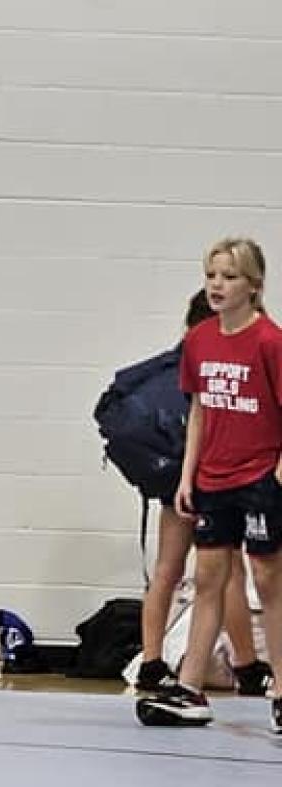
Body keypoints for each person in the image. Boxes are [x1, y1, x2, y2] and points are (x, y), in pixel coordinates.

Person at [140, 238, 282, 733]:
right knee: (207, 580)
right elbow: (200, 409)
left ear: (254, 286)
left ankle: (281, 691)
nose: (218, 285)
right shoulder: (200, 340)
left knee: (266, 579)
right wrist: (188, 474)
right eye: (212, 276)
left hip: (259, 476)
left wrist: (276, 474)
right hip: (213, 479)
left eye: (229, 277)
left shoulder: (270, 341)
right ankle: (190, 685)